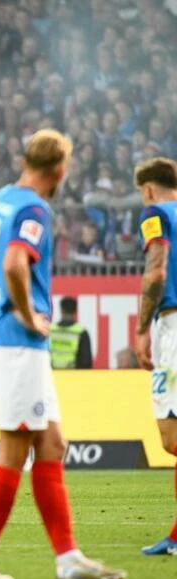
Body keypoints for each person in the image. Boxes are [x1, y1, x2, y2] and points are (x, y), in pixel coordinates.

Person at [0, 130, 126, 579]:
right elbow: (16, 263)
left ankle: (67, 558)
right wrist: (23, 311)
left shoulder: (2, 199)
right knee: (13, 449)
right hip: (15, 340)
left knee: (52, 444)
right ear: (60, 169)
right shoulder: (35, 208)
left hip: (1, 334)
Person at [132, 157, 177, 556]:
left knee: (171, 437)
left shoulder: (155, 214)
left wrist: (142, 327)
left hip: (173, 327)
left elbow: (156, 271)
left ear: (148, 189)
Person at [50, 296, 93, 369]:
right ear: (75, 311)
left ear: (61, 310)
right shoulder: (81, 332)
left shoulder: (50, 330)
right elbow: (85, 361)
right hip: (72, 376)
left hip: (51, 375)